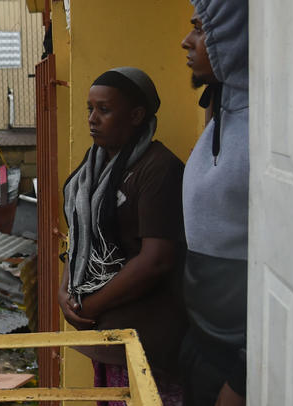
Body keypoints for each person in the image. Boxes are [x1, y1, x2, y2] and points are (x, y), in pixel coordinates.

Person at [59, 66, 187, 405]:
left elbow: (156, 260)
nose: (92, 119)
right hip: (106, 338)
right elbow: (79, 238)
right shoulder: (91, 169)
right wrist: (65, 290)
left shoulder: (159, 169)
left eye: (104, 109)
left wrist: (88, 304)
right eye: (90, 108)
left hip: (146, 341)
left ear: (136, 115)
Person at [178, 0, 248, 406]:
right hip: (203, 341)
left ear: (238, 32)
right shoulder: (224, 112)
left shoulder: (276, 134)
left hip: (237, 363)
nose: (186, 41)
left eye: (201, 28)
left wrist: (244, 379)